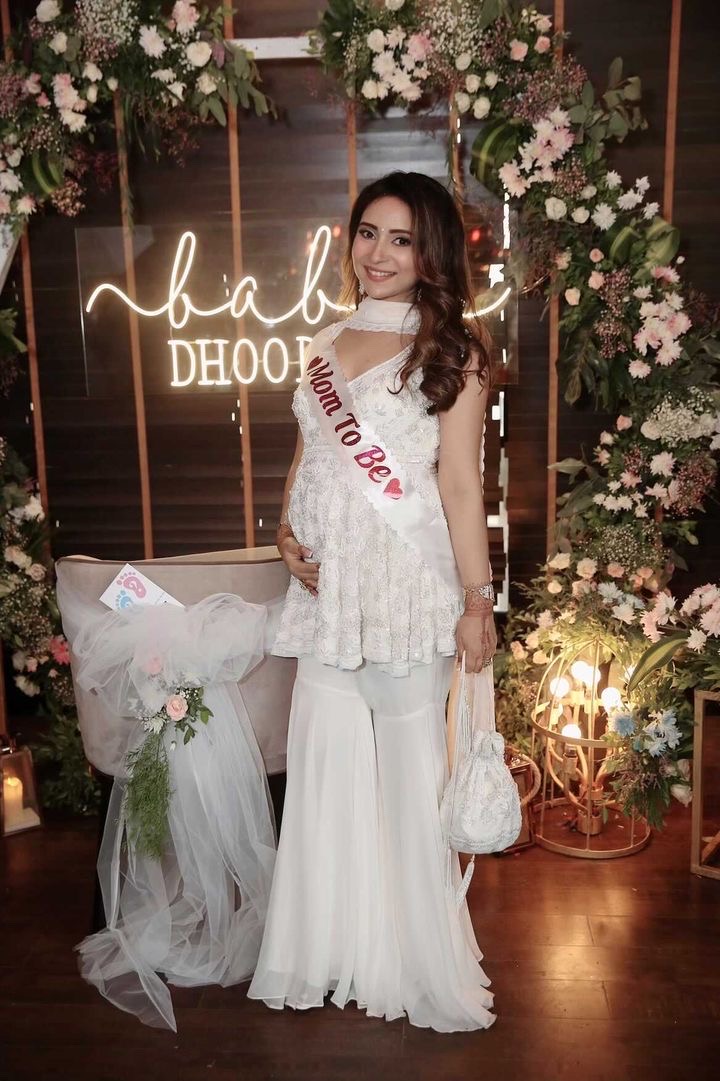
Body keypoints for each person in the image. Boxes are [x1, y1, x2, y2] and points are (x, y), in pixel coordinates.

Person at [247, 171, 497, 1032]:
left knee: (406, 777)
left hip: (403, 588)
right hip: (327, 590)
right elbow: (309, 456)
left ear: (431, 252)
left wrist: (477, 602)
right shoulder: (325, 340)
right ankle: (326, 950)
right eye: (367, 233)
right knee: (322, 771)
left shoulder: (454, 351)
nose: (379, 254)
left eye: (401, 239)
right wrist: (285, 532)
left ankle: (411, 961)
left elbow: (459, 485)